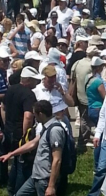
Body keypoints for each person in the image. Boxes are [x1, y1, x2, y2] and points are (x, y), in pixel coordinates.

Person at [0, 66, 41, 195]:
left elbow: (3, 107)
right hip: (19, 133)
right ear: (28, 80)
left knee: (15, 161)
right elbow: (28, 116)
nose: (36, 83)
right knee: (22, 164)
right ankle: (19, 191)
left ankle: (11, 188)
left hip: (9, 130)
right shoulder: (29, 94)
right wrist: (25, 135)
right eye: (34, 80)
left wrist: (7, 125)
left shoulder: (11, 89)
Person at [14, 100, 66, 196]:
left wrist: (51, 186)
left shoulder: (55, 130)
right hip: (36, 177)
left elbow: (57, 159)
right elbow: (33, 143)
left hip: (45, 179)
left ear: (41, 114)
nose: (34, 117)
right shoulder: (46, 128)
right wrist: (11, 154)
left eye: (35, 114)